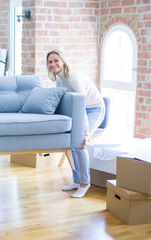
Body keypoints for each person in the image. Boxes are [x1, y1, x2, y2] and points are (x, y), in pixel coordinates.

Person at [46, 49, 105, 198]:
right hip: (81, 111)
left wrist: (85, 132)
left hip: (94, 110)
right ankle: (77, 181)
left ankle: (85, 183)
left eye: (56, 61)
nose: (53, 64)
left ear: (63, 61)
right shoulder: (58, 79)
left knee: (79, 143)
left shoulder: (73, 77)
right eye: (50, 62)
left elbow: (81, 104)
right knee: (73, 144)